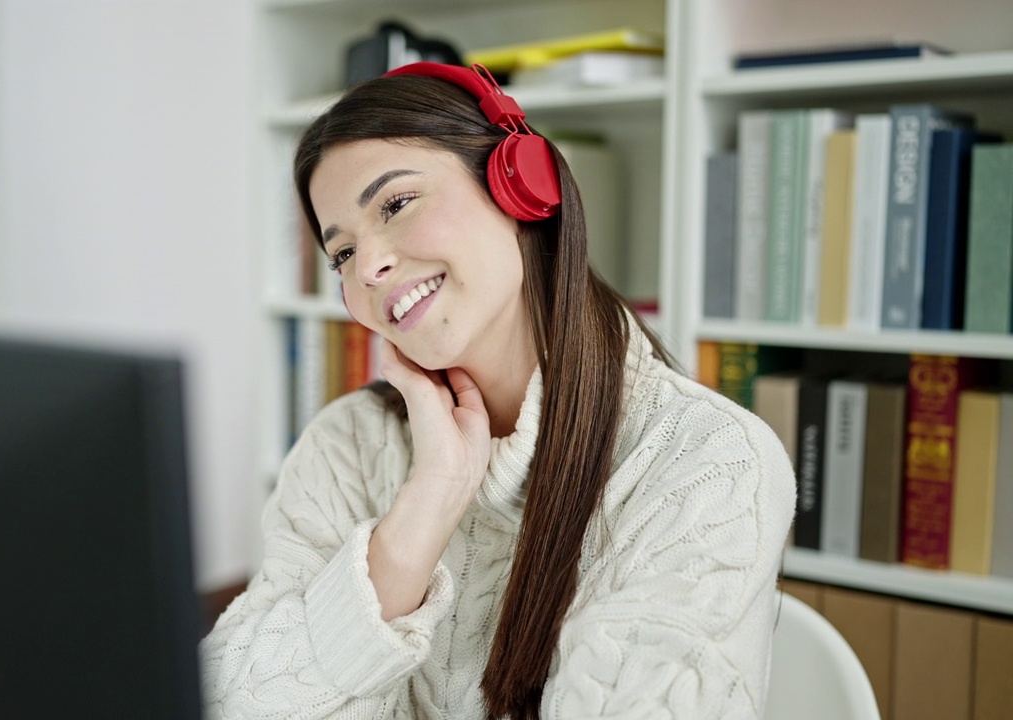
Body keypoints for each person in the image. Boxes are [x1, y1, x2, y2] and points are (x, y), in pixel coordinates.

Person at [201, 62, 796, 720]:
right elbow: (223, 701)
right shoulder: (347, 446)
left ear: (520, 188)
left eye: (396, 205)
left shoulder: (706, 461)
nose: (367, 268)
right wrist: (424, 512)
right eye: (341, 253)